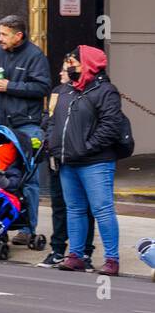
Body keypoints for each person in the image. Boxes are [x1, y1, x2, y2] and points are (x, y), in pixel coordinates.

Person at [46, 45, 125, 276]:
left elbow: (110, 127)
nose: (69, 68)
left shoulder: (105, 91)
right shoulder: (65, 90)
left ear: (88, 65)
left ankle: (112, 259)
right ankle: (76, 255)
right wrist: (52, 143)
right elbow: (52, 120)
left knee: (102, 209)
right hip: (68, 161)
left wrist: (84, 148)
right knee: (75, 209)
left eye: (74, 63)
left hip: (95, 162)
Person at [0, 14, 51, 245]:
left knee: (28, 179)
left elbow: (43, 87)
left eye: (4, 34)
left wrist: (10, 86)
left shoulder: (35, 56)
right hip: (1, 124)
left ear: (18, 35)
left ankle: (27, 228)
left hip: (28, 126)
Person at [40, 55, 96, 268]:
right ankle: (57, 249)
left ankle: (84, 252)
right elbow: (48, 119)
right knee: (59, 205)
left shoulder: (90, 91)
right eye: (63, 69)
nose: (62, 73)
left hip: (79, 157)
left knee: (85, 207)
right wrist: (50, 142)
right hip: (58, 156)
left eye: (67, 69)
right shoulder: (56, 92)